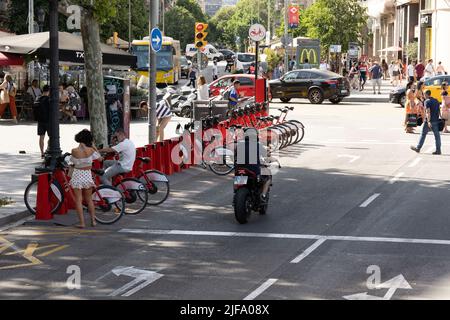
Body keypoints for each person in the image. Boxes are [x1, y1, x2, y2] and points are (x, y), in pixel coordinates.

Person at [69, 129, 101, 228]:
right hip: (87, 174)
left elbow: (72, 162)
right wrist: (94, 146)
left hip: (77, 174)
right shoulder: (90, 150)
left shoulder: (74, 151)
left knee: (78, 200)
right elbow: (100, 158)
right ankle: (93, 221)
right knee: (89, 199)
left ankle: (82, 223)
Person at [410, 90, 442, 155]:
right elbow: (439, 111)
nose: (423, 95)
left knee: (423, 134)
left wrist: (429, 121)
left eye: (424, 94)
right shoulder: (436, 100)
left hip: (429, 121)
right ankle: (438, 150)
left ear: (426, 94)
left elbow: (428, 112)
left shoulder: (427, 101)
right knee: (437, 136)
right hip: (436, 120)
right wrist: (440, 118)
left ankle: (418, 148)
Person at [35, 85, 50, 158]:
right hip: (48, 120)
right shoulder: (49, 99)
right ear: (49, 91)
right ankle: (48, 150)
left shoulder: (38, 98)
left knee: (41, 137)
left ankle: (42, 152)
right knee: (51, 137)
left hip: (40, 120)